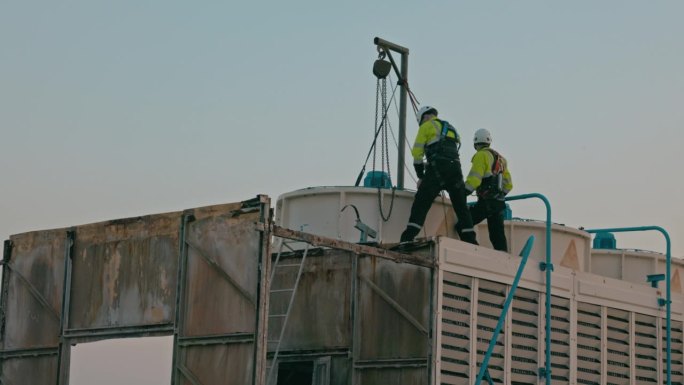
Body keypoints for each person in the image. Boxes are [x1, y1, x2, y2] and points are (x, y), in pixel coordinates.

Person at [399, 106, 478, 245]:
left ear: (424, 117)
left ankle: (407, 238)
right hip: (455, 169)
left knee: (421, 201)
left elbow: (417, 154)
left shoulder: (426, 126)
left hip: (437, 169)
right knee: (461, 206)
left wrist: (421, 176)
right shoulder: (451, 128)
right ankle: (471, 240)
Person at [465, 128, 513, 252]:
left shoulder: (481, 155)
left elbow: (474, 180)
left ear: (475, 143)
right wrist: (499, 195)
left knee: (463, 224)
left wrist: (462, 192)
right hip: (499, 204)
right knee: (497, 237)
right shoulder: (501, 159)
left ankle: (474, 250)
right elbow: (508, 185)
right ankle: (504, 262)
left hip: (486, 203)